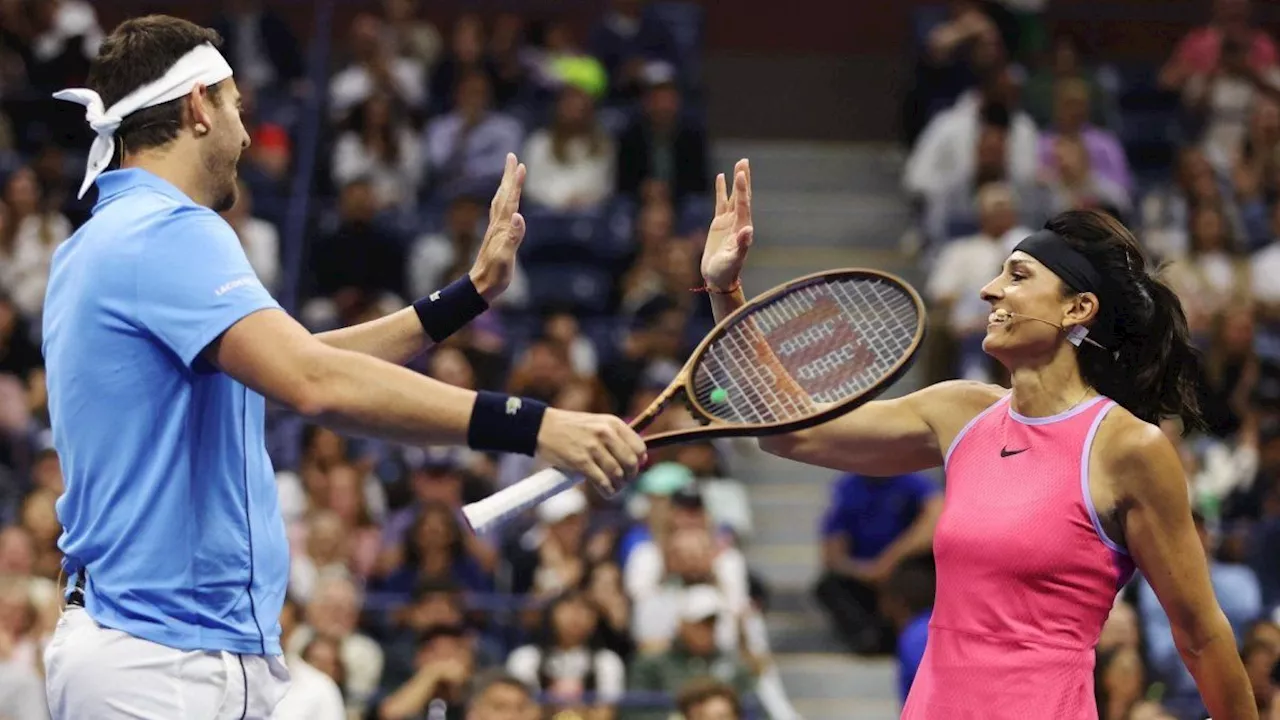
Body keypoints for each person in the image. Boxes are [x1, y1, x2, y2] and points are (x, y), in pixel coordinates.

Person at [39, 16, 645, 720]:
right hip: (164, 661)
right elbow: (314, 382)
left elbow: (304, 361)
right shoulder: (169, 230)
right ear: (198, 107)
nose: (243, 131)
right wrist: (533, 425)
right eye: (237, 105)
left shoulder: (106, 239)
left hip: (155, 654)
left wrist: (466, 297)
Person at [699, 159, 1257, 718]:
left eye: (1017, 276)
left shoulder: (1128, 449)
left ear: (1077, 308)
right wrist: (726, 292)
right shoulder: (961, 411)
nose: (989, 291)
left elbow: (1201, 636)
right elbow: (792, 434)